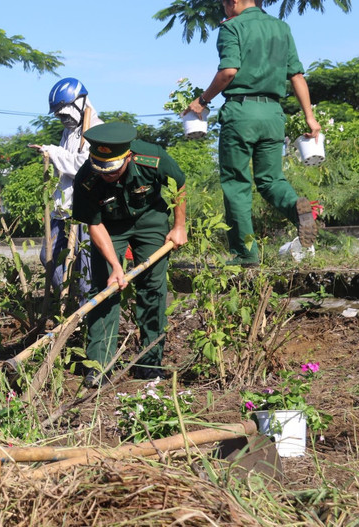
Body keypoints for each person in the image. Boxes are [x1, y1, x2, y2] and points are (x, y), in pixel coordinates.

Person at [184, 0, 320, 266]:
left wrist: (202, 100)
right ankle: (298, 210)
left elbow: (229, 71)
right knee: (271, 180)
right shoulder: (281, 28)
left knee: (236, 184)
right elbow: (297, 77)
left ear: (233, 2)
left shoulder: (232, 27)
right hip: (273, 114)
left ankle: (245, 255)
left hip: (241, 113)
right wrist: (310, 118)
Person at [72, 122, 187, 386]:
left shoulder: (152, 158)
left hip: (150, 218)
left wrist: (179, 226)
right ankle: (99, 367)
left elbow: (179, 183)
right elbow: (94, 224)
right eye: (102, 169)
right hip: (109, 226)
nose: (107, 175)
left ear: (129, 156)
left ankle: (150, 364)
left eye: (112, 170)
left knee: (153, 288)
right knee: (106, 288)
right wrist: (116, 265)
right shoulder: (87, 178)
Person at [29, 78, 103, 299]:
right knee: (48, 256)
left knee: (85, 267)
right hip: (63, 207)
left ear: (81, 102)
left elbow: (82, 166)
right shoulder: (69, 132)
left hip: (84, 208)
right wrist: (50, 152)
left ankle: (84, 316)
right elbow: (67, 161)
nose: (63, 119)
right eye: (59, 114)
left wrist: (52, 152)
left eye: (65, 112)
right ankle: (68, 301)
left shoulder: (96, 129)